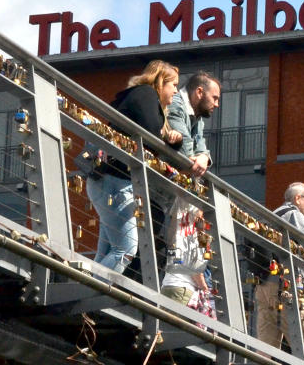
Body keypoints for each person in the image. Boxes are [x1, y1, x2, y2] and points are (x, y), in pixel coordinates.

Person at [86, 60, 182, 273]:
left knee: (107, 251)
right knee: (126, 250)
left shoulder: (140, 96)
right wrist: (168, 138)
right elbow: (149, 133)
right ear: (160, 82)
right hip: (116, 184)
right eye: (173, 84)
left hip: (111, 182)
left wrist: (173, 140)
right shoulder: (146, 94)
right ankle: (92, 294)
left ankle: (87, 293)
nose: (176, 91)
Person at [159, 72, 221, 310]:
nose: (216, 104)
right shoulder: (177, 105)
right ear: (199, 93)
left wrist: (204, 157)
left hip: (175, 187)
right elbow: (186, 153)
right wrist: (197, 159)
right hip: (164, 185)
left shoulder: (198, 116)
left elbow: (200, 149)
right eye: (214, 98)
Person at [254, 182, 304, 359]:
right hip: (286, 288)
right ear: (297, 198)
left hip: (264, 285)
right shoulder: (293, 214)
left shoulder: (272, 215)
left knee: (266, 348)